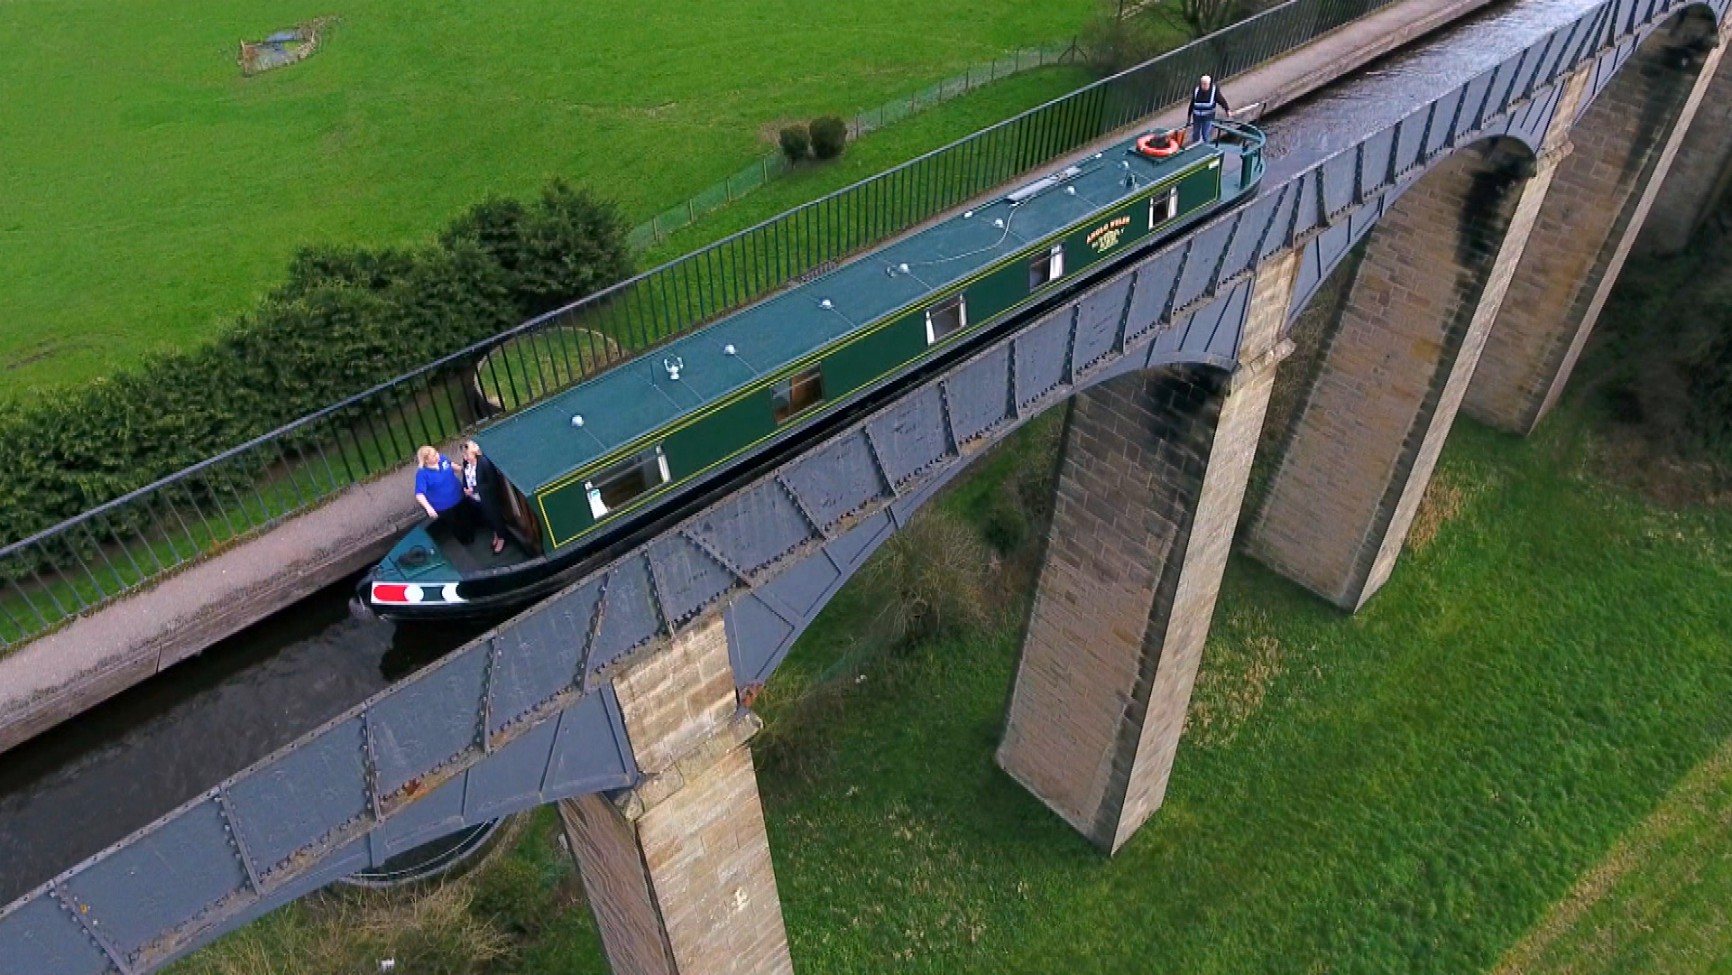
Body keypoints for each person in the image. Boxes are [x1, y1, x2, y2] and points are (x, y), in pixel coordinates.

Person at [460, 440, 510, 555]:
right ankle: (496, 533)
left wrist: (475, 489)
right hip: (476, 499)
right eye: (464, 455)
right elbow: (465, 476)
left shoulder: (484, 463)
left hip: (488, 498)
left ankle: (502, 537)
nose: (465, 457)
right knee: (487, 517)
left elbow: (492, 483)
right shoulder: (466, 463)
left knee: (495, 517)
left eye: (467, 454)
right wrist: (465, 488)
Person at [413, 445, 469, 542]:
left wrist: (462, 469)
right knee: (455, 525)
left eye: (436, 453)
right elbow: (419, 494)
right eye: (434, 456)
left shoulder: (442, 459)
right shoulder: (422, 474)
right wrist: (428, 508)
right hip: (445, 507)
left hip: (459, 497)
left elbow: (450, 464)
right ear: (426, 461)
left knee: (465, 517)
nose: (437, 456)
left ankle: (470, 533)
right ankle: (464, 540)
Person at [1189, 74, 1230, 146]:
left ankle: (1207, 149)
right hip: (1197, 117)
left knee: (1205, 134)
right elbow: (1192, 103)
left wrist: (1227, 110)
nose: (1204, 86)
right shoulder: (1196, 90)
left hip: (1208, 117)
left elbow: (1221, 100)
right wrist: (1189, 116)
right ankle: (1194, 149)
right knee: (1195, 134)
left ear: (1209, 84)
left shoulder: (1214, 91)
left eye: (1206, 84)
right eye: (1203, 84)